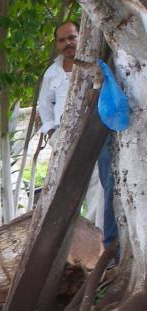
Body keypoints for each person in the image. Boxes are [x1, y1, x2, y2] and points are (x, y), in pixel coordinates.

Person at [37, 20, 113, 250]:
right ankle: (63, 246)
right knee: (63, 189)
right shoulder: (52, 73)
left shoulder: (94, 65)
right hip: (64, 138)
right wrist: (51, 132)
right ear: (57, 44)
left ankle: (95, 243)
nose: (68, 43)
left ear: (81, 37)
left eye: (71, 37)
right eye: (62, 40)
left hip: (93, 135)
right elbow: (45, 105)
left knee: (97, 188)